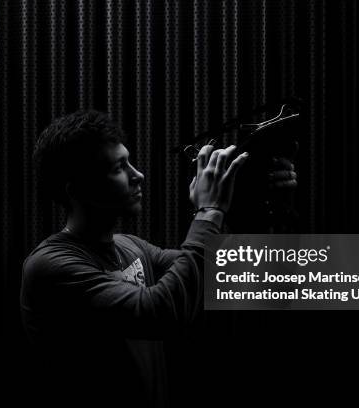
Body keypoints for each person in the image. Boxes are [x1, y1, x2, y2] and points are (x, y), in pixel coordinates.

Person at [19, 109, 296, 407]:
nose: (138, 175)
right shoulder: (51, 267)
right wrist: (209, 211)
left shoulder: (132, 248)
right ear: (77, 190)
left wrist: (246, 208)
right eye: (118, 167)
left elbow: (225, 272)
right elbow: (161, 312)